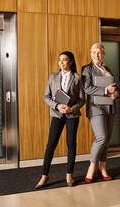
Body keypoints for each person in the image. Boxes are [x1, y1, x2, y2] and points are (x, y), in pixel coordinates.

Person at [35, 51, 85, 189]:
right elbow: (46, 97)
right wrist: (57, 105)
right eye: (60, 60)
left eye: (64, 60)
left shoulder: (78, 78)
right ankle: (44, 175)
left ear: (71, 62)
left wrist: (72, 109)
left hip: (72, 116)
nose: (61, 63)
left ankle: (69, 173)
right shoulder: (53, 77)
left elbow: (82, 100)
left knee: (71, 144)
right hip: (57, 115)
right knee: (51, 145)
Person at [81, 43, 119, 183]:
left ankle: (102, 167)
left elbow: (114, 86)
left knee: (107, 139)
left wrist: (115, 93)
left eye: (99, 53)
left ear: (103, 54)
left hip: (110, 106)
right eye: (94, 53)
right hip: (96, 107)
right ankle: (92, 166)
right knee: (101, 137)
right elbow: (87, 88)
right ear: (91, 54)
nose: (97, 55)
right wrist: (105, 91)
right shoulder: (87, 69)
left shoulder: (107, 69)